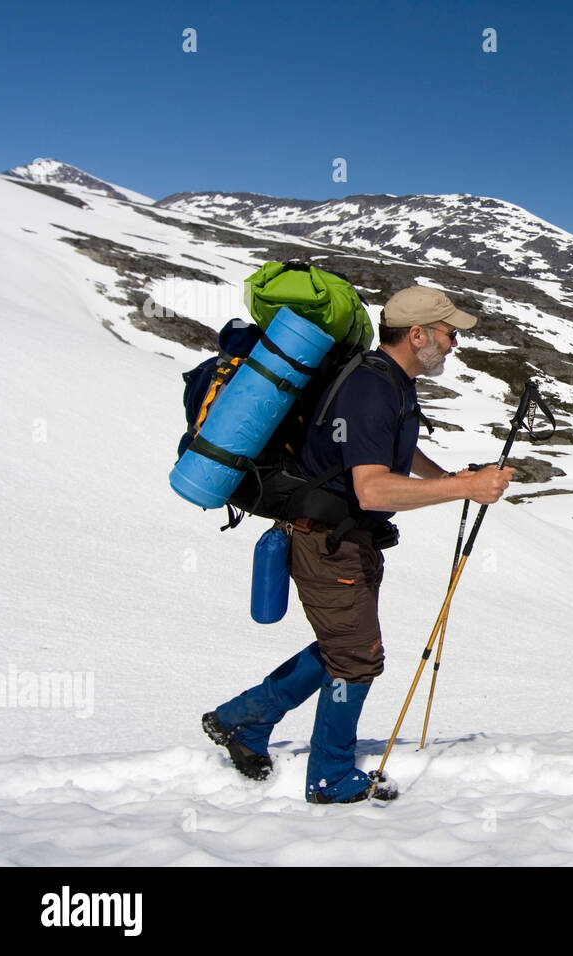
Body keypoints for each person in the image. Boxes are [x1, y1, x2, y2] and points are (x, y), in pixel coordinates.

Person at [202, 286, 515, 804]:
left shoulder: (390, 382)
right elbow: (371, 488)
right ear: (417, 335)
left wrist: (452, 475)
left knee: (341, 649)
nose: (455, 342)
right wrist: (464, 489)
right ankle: (329, 776)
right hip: (327, 540)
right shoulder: (371, 388)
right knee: (357, 658)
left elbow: (396, 446)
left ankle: (242, 719)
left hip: (347, 539)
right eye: (449, 332)